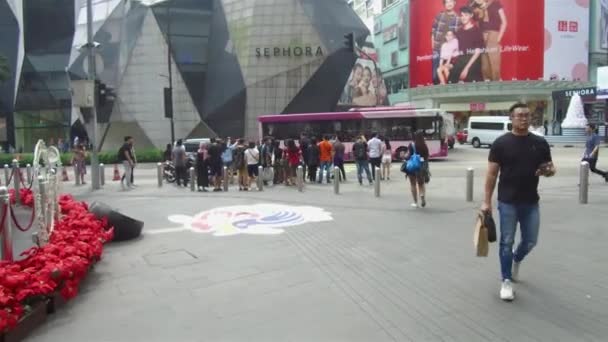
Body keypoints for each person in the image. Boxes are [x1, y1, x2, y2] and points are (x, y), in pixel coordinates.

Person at [482, 102, 556, 301]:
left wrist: (548, 171)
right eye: (519, 115)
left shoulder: (540, 143)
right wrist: (486, 202)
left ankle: (517, 258)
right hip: (507, 202)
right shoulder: (501, 143)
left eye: (526, 115)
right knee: (506, 241)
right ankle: (506, 280)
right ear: (511, 118)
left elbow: (550, 167)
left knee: (531, 241)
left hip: (531, 201)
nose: (523, 118)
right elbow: (491, 175)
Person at [470, 0, 507, 81]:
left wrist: (498, 38)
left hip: (493, 35)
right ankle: (487, 88)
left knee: (494, 63)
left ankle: (496, 86)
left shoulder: (495, 3)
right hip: (482, 36)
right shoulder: (475, 9)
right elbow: (476, 24)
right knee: (484, 66)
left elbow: (504, 22)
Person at [448, 6, 484, 83]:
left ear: (471, 15)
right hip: (460, 61)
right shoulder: (459, 31)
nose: (463, 17)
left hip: (472, 61)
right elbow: (455, 49)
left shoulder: (476, 30)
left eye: (466, 15)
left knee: (470, 80)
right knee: (450, 80)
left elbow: (478, 52)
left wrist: (466, 68)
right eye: (462, 15)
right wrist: (451, 63)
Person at [431, 0, 460, 84]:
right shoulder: (440, 15)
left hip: (450, 50)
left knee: (448, 72)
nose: (449, 4)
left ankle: (449, 87)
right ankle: (437, 89)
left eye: (451, 1)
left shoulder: (457, 18)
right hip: (438, 47)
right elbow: (433, 31)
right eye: (447, 2)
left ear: (455, 3)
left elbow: (457, 35)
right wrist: (433, 45)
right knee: (435, 73)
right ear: (444, 4)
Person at [404, 131, 430, 208]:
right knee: (421, 184)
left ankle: (415, 202)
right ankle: (422, 196)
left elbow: (408, 156)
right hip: (421, 167)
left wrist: (404, 156)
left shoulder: (411, 145)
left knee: (413, 184)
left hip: (412, 167)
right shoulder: (424, 145)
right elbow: (427, 156)